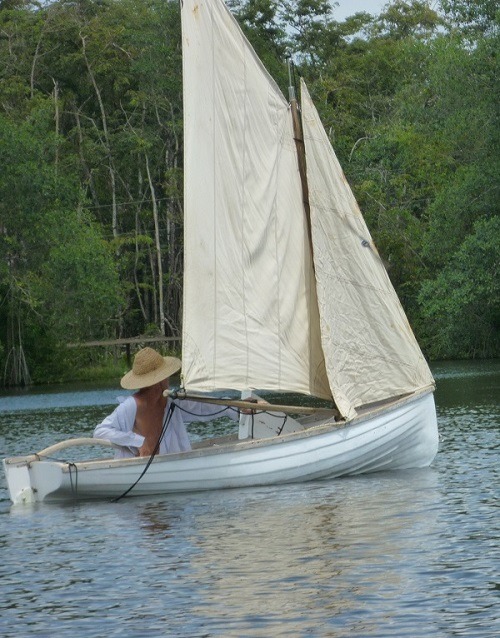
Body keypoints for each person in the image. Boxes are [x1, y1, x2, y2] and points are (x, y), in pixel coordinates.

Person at [94, 347, 238, 459]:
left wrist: (235, 407)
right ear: (159, 382)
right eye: (165, 376)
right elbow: (100, 432)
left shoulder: (170, 402)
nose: (168, 380)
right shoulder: (131, 406)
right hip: (136, 474)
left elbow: (203, 407)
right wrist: (136, 441)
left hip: (168, 470)